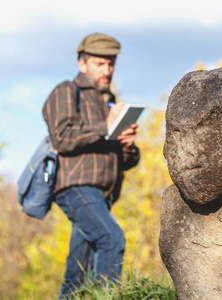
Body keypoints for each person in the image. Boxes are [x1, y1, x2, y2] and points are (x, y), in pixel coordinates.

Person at [42, 32, 140, 299]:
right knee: (112, 239)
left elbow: (125, 161)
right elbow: (61, 137)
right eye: (100, 63)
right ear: (82, 63)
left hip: (103, 195)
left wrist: (127, 144)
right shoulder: (66, 91)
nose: (107, 70)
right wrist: (105, 127)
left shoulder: (109, 100)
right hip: (76, 189)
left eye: (111, 63)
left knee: (76, 277)